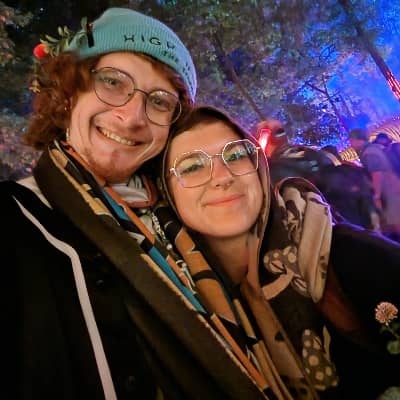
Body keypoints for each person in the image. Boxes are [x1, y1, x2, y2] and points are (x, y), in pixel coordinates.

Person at [0, 8, 270, 400]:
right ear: (69, 88)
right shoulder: (17, 219)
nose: (131, 118)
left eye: (159, 101)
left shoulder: (189, 210)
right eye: (112, 81)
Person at [157, 105, 400, 399]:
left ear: (260, 169)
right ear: (168, 194)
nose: (222, 176)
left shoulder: (351, 255)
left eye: (235, 155)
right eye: (192, 166)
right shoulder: (190, 316)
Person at [349, 128, 400, 239]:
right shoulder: (375, 147)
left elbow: (376, 173)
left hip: (389, 190)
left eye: (351, 141)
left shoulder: (368, 153)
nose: (351, 145)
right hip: (394, 185)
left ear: (358, 140)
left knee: (396, 220)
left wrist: (377, 196)